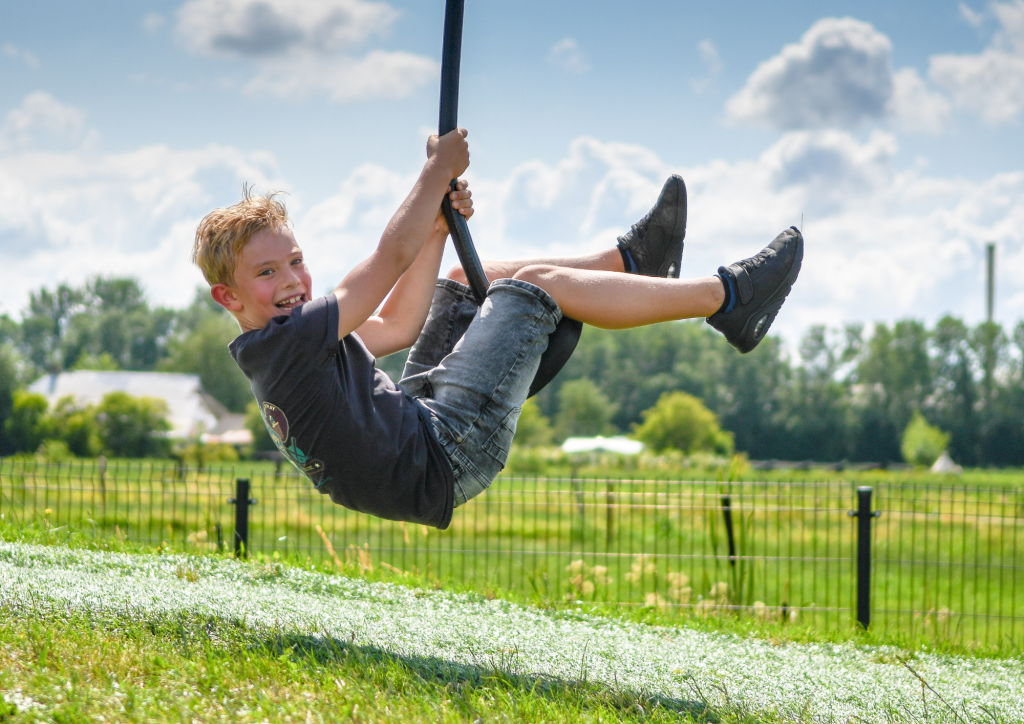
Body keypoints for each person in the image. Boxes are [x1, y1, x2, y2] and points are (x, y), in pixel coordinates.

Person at [192, 128, 802, 530]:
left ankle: (636, 266)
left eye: (295, 261)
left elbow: (399, 323)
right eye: (268, 272)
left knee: (459, 274)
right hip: (446, 451)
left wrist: (435, 230)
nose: (293, 279)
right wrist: (436, 173)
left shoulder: (285, 349)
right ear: (230, 296)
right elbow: (384, 264)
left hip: (422, 423)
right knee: (537, 285)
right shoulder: (291, 340)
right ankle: (728, 300)